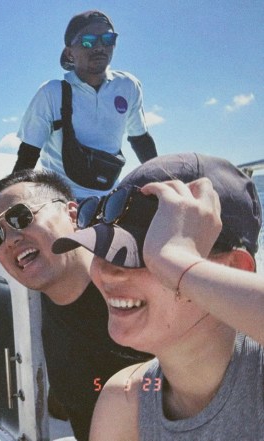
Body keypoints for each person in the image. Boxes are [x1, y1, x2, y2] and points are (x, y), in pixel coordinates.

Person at [51, 153, 263, 440]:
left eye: (147, 253)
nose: (106, 271)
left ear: (234, 269)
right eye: (102, 249)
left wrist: (178, 263)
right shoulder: (125, 399)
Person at [0, 168, 151, 441]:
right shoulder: (35, 306)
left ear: (72, 214)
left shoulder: (139, 290)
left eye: (21, 217)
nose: (11, 239)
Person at [14, 10, 157, 200]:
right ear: (69, 53)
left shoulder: (128, 86)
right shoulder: (52, 93)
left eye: (108, 39)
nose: (100, 46)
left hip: (109, 201)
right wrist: (9, 201)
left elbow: (140, 139)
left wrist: (163, 181)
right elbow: (28, 154)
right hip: (61, 201)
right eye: (88, 41)